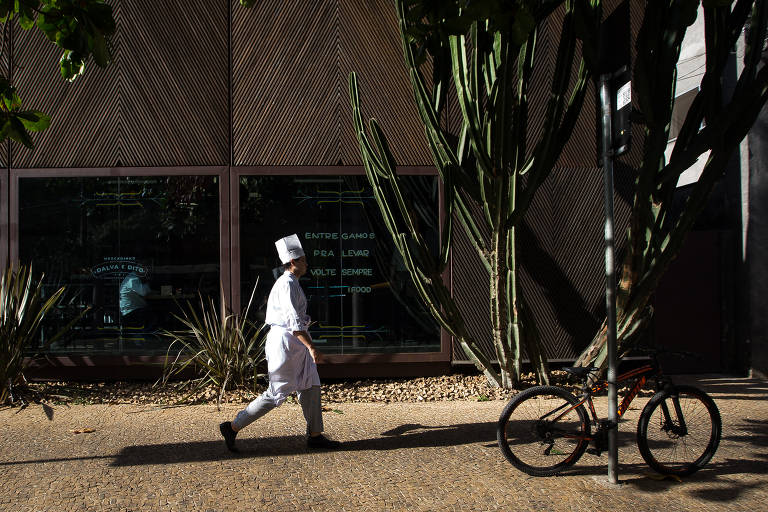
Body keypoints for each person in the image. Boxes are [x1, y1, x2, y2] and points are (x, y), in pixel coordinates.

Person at [219, 234, 341, 452]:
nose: (307, 263)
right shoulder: (287, 284)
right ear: (294, 262)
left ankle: (315, 435)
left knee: (311, 385)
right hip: (286, 345)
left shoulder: (291, 283)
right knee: (275, 393)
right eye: (304, 259)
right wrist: (311, 347)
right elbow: (294, 323)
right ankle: (233, 426)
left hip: (295, 344)